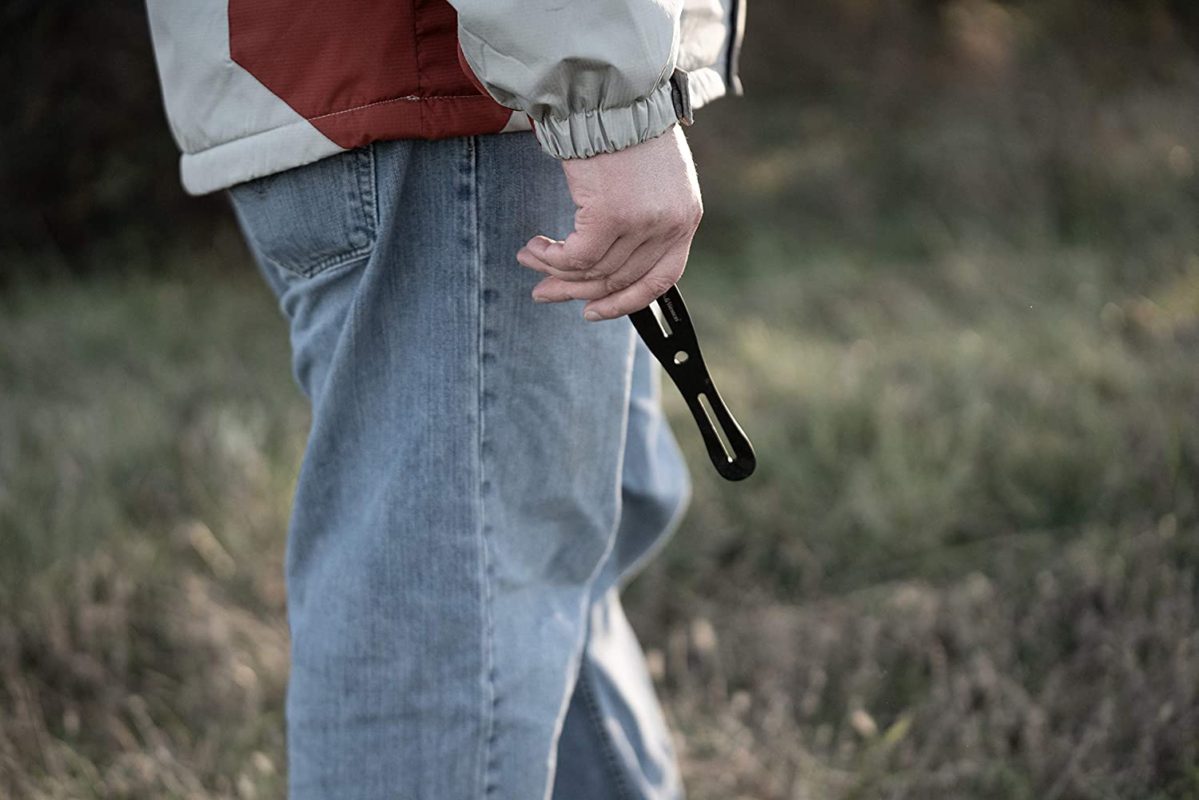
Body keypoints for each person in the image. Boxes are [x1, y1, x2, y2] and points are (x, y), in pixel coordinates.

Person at [145, 0, 745, 797]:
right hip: (456, 87)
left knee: (536, 565)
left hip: (411, 82)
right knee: (445, 635)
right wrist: (604, 99)